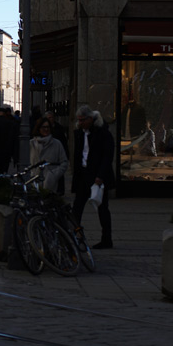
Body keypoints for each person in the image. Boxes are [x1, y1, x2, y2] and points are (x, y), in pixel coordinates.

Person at [71, 105, 115, 250]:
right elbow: (78, 154)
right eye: (79, 120)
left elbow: (107, 156)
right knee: (77, 207)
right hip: (83, 174)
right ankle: (73, 235)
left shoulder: (102, 133)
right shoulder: (79, 132)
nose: (80, 123)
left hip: (96, 175)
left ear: (90, 119)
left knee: (102, 208)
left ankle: (106, 239)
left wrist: (100, 176)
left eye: (83, 120)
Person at [29, 117, 69, 192]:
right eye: (43, 127)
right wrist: (31, 173)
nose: (46, 129)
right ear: (39, 128)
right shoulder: (31, 144)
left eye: (48, 127)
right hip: (34, 180)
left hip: (50, 182)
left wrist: (53, 175)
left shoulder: (57, 144)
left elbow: (64, 162)